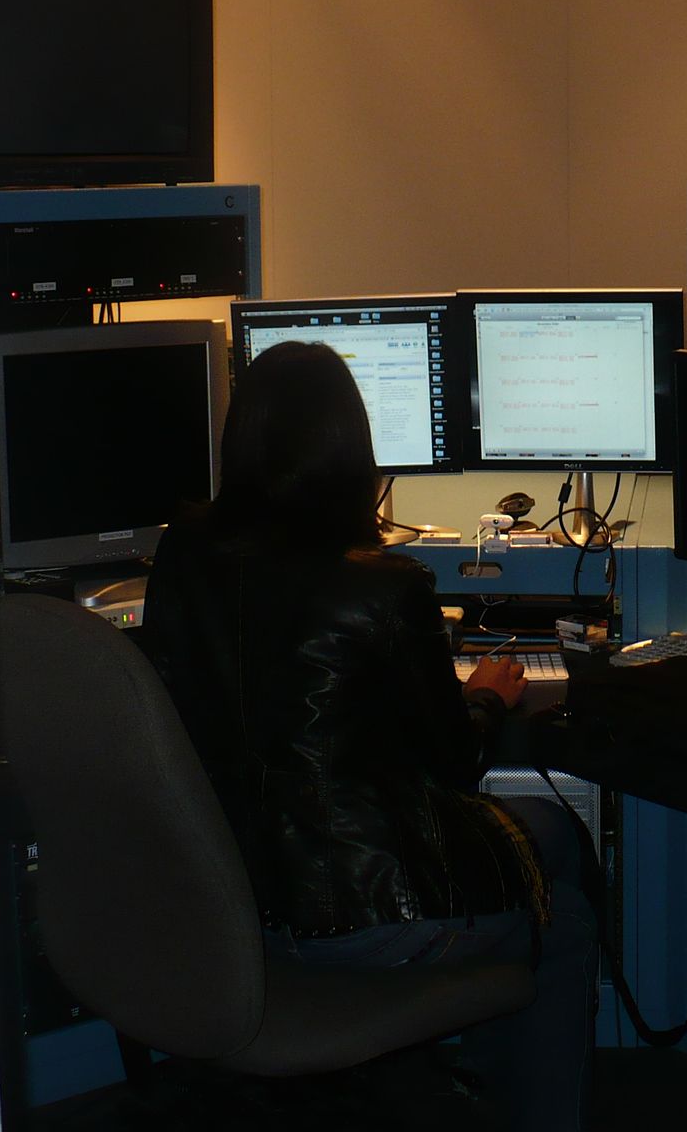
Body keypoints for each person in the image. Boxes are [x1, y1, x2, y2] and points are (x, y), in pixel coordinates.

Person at [144, 339, 597, 1130]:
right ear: (356, 451)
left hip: (226, 904)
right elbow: (454, 764)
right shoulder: (385, 585)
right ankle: (516, 1100)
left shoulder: (181, 555)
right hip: (355, 917)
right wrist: (486, 696)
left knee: (550, 835)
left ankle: (461, 1081)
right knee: (563, 883)